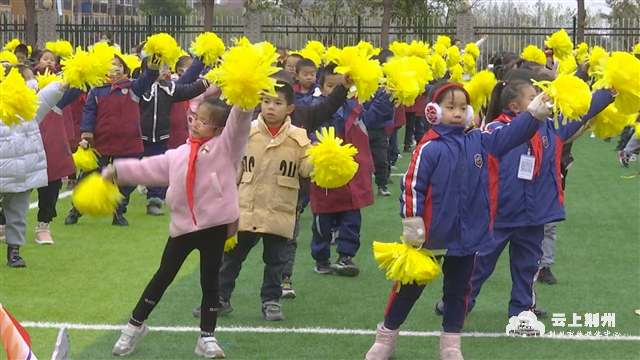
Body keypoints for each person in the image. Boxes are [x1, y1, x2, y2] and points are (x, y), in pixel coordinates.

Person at [365, 81, 552, 360]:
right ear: (433, 110)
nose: (457, 112)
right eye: (450, 106)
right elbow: (411, 184)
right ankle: (386, 337)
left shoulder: (479, 140)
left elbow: (510, 136)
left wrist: (534, 114)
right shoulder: (429, 147)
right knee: (409, 288)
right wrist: (413, 224)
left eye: (462, 107)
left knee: (458, 292)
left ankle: (451, 345)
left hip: (468, 235)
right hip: (431, 235)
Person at [433, 71, 614, 321]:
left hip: (535, 215)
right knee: (479, 264)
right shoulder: (496, 129)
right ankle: (458, 301)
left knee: (527, 265)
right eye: (534, 97)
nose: (542, 99)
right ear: (514, 107)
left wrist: (608, 93)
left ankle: (521, 309)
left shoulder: (550, 128)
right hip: (500, 214)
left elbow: (583, 112)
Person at [105, 98, 253, 359]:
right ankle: (133, 326)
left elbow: (239, 123)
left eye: (205, 122)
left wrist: (245, 99)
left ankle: (207, 337)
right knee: (163, 276)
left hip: (214, 227)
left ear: (219, 130)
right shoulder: (178, 155)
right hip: (183, 228)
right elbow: (147, 168)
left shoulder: (227, 147)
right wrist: (117, 171)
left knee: (210, 282)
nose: (196, 124)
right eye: (195, 117)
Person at [216, 81, 313, 321]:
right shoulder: (245, 132)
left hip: (279, 210)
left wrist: (324, 158)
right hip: (245, 208)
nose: (270, 107)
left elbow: (307, 169)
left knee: (276, 261)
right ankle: (219, 298)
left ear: (289, 108)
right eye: (266, 101)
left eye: (278, 103)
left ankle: (271, 301)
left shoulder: (299, 138)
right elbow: (233, 169)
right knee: (232, 258)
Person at [310, 64, 394, 276]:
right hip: (325, 177)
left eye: (341, 85)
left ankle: (346, 256)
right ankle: (322, 258)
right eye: (330, 85)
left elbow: (374, 118)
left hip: (352, 176)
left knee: (351, 220)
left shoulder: (355, 109)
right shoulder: (315, 110)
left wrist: (388, 96)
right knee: (322, 221)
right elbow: (306, 135)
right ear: (321, 86)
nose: (335, 90)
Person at [64, 54, 158, 226]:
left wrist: (152, 67)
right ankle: (77, 209)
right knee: (90, 175)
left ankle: (119, 212)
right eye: (111, 64)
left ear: (125, 68)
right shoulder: (96, 90)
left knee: (127, 178)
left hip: (129, 142)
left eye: (119, 65)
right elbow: (89, 114)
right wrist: (86, 136)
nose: (115, 68)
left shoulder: (133, 87)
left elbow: (147, 79)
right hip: (101, 142)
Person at [0, 77, 67, 267]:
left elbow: (48, 96)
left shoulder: (30, 110)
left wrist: (67, 80)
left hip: (22, 174)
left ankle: (14, 250)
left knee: (17, 215)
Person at [138, 56, 208, 216]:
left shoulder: (169, 88)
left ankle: (154, 201)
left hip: (160, 137)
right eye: (161, 67)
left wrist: (206, 79)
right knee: (129, 168)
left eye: (167, 67)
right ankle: (119, 203)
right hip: (138, 137)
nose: (166, 70)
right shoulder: (139, 87)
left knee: (157, 171)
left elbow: (189, 87)